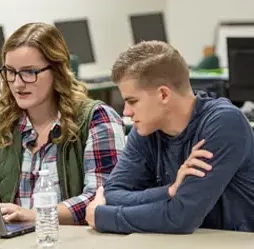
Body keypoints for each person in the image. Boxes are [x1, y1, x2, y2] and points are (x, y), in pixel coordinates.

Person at [85, 41, 254, 233]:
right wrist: (169, 191)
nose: (127, 112)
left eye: (133, 101)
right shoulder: (148, 129)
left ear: (164, 94)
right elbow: (112, 194)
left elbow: (180, 217)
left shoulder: (224, 122)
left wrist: (102, 217)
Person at [0, 22, 125, 225]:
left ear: (57, 71)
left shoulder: (97, 119)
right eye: (10, 71)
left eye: (29, 72)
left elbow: (101, 197)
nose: (18, 83)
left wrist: (35, 216)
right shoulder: (0, 123)